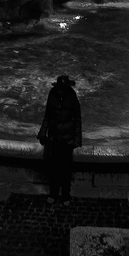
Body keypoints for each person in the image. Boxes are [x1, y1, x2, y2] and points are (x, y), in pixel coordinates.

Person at [37, 74, 82, 206]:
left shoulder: (72, 96)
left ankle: (65, 195)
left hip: (67, 139)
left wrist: (77, 140)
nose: (61, 90)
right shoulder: (52, 94)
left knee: (66, 169)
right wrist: (42, 133)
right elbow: (47, 116)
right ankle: (53, 193)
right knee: (54, 167)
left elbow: (78, 119)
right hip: (55, 137)